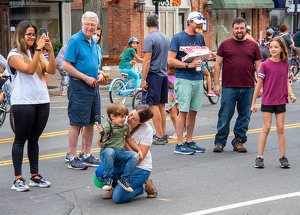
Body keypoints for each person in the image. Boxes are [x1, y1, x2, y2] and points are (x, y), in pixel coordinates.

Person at [6, 20, 56, 191]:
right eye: (29, 34)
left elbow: (51, 70)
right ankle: (18, 178)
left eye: (34, 34)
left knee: (34, 139)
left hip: (42, 100)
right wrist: (38, 50)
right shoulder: (14, 55)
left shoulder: (38, 52)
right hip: (23, 102)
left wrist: (50, 51)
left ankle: (34, 175)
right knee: (20, 140)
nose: (32, 37)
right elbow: (29, 70)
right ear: (21, 35)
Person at [62, 11, 105, 170]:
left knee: (90, 122)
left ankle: (86, 154)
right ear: (82, 24)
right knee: (76, 122)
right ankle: (72, 157)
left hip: (93, 87)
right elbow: (66, 65)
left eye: (93, 24)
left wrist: (99, 74)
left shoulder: (93, 42)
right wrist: (85, 77)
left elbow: (93, 65)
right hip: (79, 86)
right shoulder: (75, 40)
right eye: (87, 24)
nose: (90, 27)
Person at [213, 17, 262, 153]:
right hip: (229, 86)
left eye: (242, 28)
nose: (239, 30)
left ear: (246, 29)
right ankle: (220, 142)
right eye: (237, 28)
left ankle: (239, 141)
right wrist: (216, 84)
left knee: (244, 116)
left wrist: (261, 86)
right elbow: (217, 64)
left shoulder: (253, 46)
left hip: (248, 87)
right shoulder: (225, 44)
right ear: (232, 29)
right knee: (224, 115)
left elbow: (259, 66)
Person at [95, 105, 157, 203]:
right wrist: (102, 135)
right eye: (131, 114)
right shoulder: (121, 118)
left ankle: (143, 186)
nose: (128, 118)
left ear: (141, 122)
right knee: (100, 172)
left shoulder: (147, 130)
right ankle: (116, 186)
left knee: (118, 198)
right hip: (121, 159)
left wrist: (125, 141)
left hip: (139, 167)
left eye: (134, 119)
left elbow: (139, 160)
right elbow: (103, 144)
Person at [251, 37, 296, 168]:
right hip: (267, 100)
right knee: (266, 128)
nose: (273, 49)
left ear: (282, 48)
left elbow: (287, 81)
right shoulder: (265, 65)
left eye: (276, 47)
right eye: (271, 47)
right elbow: (258, 85)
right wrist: (253, 103)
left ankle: (282, 157)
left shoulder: (285, 64)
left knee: (281, 128)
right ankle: (259, 157)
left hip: (281, 100)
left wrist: (291, 94)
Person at [168, 11, 207, 154]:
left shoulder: (200, 37)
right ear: (189, 22)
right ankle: (179, 144)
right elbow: (170, 60)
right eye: (197, 23)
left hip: (197, 78)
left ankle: (189, 141)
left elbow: (203, 54)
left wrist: (205, 56)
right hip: (184, 78)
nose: (199, 26)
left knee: (193, 111)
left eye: (201, 24)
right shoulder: (178, 37)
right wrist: (186, 65)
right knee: (183, 111)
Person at [97, 102, 143, 192]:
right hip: (106, 152)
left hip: (120, 153)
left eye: (125, 116)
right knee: (110, 151)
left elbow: (130, 140)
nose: (124, 119)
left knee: (134, 156)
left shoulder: (124, 126)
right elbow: (100, 145)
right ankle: (108, 179)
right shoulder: (106, 127)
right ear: (112, 116)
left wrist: (138, 150)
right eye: (121, 117)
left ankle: (125, 179)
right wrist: (101, 134)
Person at [142, 13, 170, 145]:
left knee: (153, 105)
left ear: (146, 24)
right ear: (158, 23)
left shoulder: (149, 38)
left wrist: (143, 79)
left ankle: (158, 135)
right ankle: (163, 133)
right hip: (163, 74)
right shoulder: (165, 37)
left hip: (154, 74)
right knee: (161, 105)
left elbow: (147, 61)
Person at [166, 66, 178, 139]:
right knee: (172, 116)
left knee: (174, 115)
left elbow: (173, 85)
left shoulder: (174, 77)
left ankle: (179, 132)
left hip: (174, 98)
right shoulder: (170, 76)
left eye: (168, 69)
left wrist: (166, 77)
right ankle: (178, 132)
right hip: (170, 98)